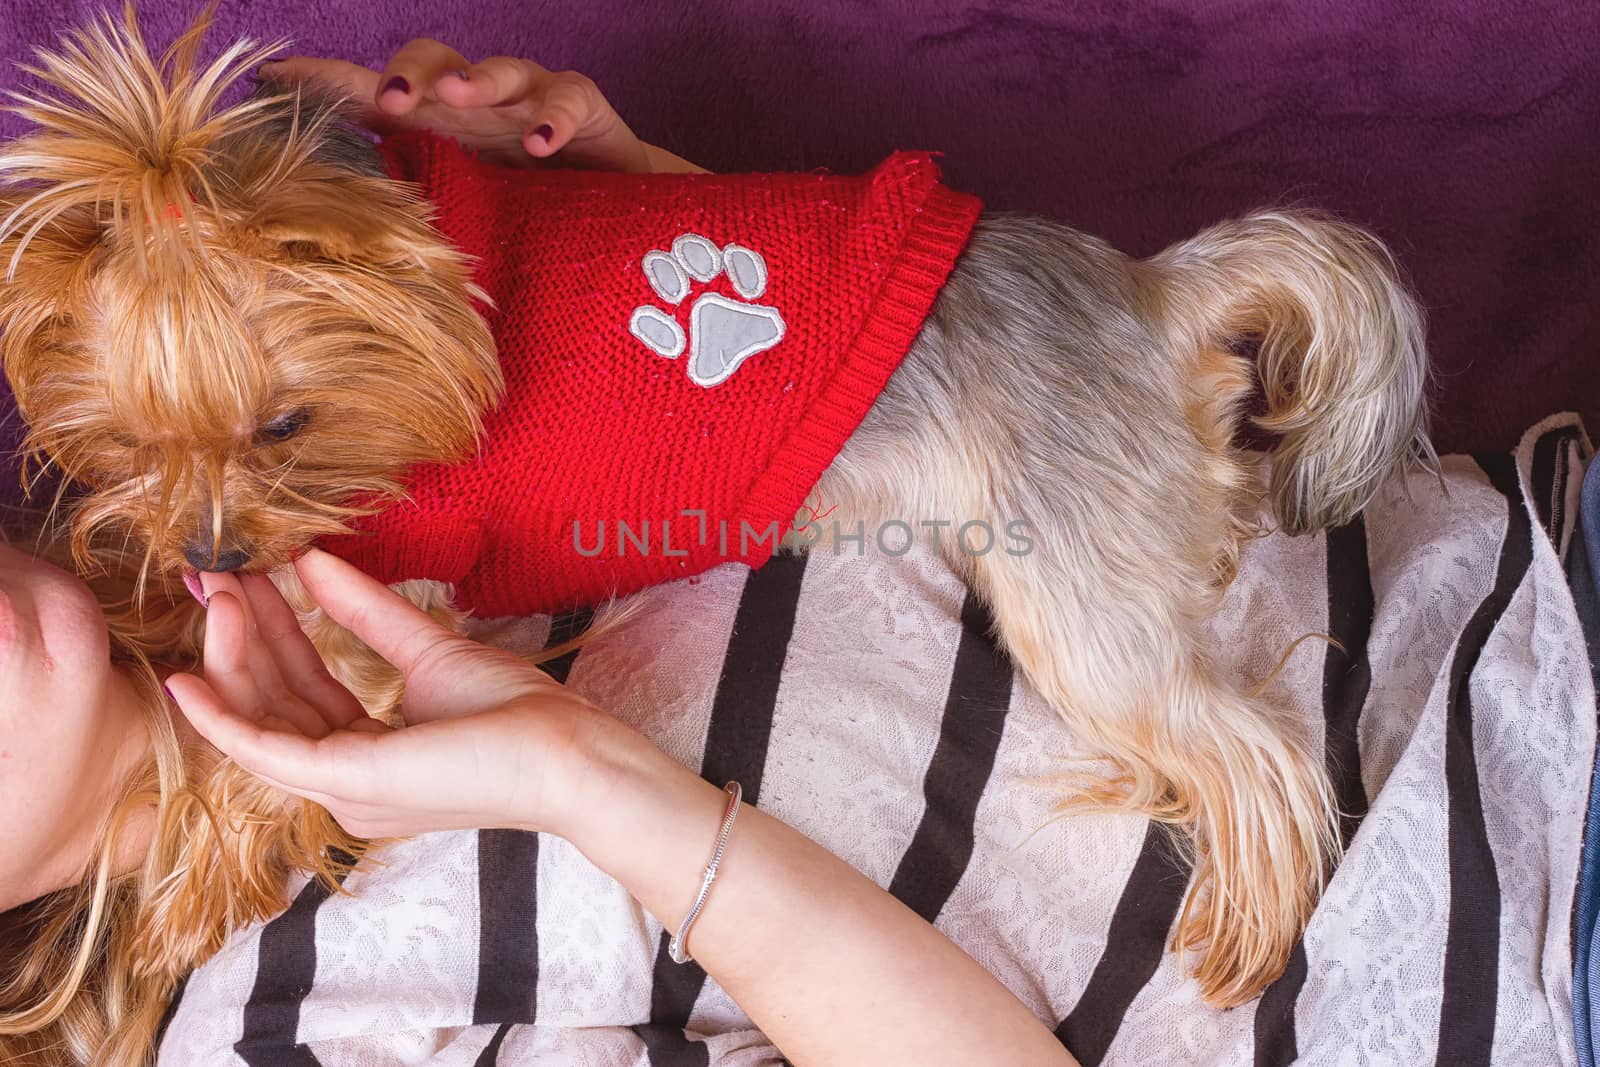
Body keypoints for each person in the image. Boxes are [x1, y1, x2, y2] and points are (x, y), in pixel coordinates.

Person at [0, 42, 1077, 1066]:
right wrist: (586, 782)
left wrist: (622, 240)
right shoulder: (273, 1025)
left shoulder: (298, 497)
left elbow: (920, 443)